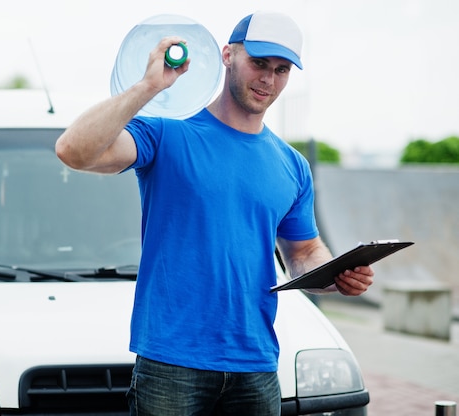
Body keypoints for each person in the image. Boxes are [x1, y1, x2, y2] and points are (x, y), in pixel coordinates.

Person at [55, 10, 374, 416]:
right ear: (227, 55)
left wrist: (338, 276)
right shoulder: (168, 132)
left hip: (256, 363)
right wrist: (149, 85)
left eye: (281, 70)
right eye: (258, 63)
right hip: (172, 362)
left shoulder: (291, 165)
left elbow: (303, 253)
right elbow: (73, 151)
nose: (268, 79)